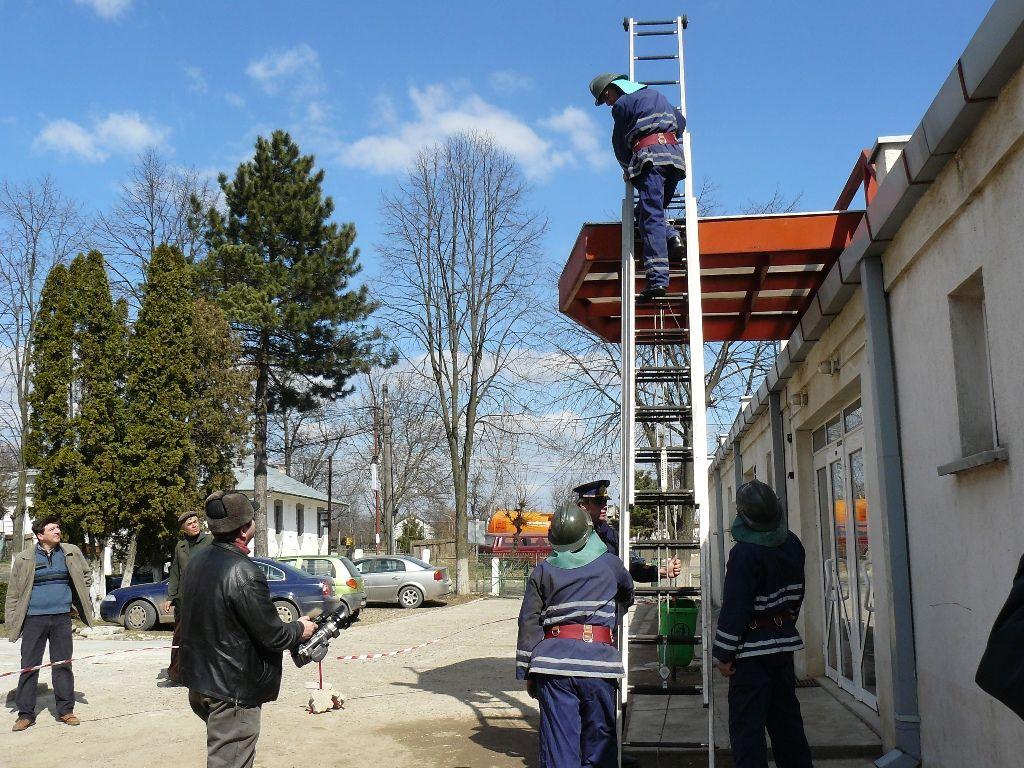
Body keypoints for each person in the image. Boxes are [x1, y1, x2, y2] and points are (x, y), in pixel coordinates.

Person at [179, 490, 315, 768]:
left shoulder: (197, 562)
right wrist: (300, 628)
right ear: (244, 530)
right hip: (231, 691)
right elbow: (273, 635)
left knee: (229, 756)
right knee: (230, 762)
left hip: (202, 683)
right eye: (253, 520)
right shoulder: (243, 572)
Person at [517, 506, 634, 767]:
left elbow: (528, 623)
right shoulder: (612, 565)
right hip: (598, 665)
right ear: (588, 533)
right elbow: (627, 595)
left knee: (559, 749)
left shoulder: (542, 571)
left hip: (552, 667)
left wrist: (528, 672)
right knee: (600, 748)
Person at [712, 479, 812, 768]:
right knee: (788, 726)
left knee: (747, 732)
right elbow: (796, 596)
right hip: (782, 649)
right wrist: (783, 626)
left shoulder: (743, 554)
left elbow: (735, 609)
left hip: (750, 656)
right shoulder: (792, 544)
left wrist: (724, 655)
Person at [589, 72, 687, 301]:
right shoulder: (658, 95)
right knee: (646, 212)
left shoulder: (622, 105)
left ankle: (657, 280)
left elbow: (619, 143)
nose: (608, 103)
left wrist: (628, 168)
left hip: (650, 161)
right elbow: (681, 123)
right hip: (674, 161)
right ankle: (672, 236)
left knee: (651, 218)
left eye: (606, 97)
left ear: (615, 88)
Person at [5, 515, 94, 731]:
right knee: (29, 666)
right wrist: (12, 620)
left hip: (62, 617)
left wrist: (77, 596)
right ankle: (26, 714)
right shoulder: (24, 558)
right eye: (52, 528)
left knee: (63, 664)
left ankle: (66, 711)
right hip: (33, 619)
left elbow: (86, 575)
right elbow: (14, 592)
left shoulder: (71, 551)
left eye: (58, 527)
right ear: (40, 535)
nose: (57, 531)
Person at [574, 479, 681, 582]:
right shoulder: (571, 533)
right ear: (583, 505)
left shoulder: (611, 535)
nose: (605, 506)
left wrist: (662, 572)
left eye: (605, 501)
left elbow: (629, 567)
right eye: (598, 502)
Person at [162, 509, 212, 685]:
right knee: (180, 637)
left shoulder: (210, 541)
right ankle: (176, 674)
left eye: (195, 521)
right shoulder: (180, 546)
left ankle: (205, 674)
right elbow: (175, 572)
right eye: (190, 524)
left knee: (205, 636)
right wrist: (170, 596)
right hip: (184, 600)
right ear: (183, 529)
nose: (194, 525)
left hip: (205, 598)